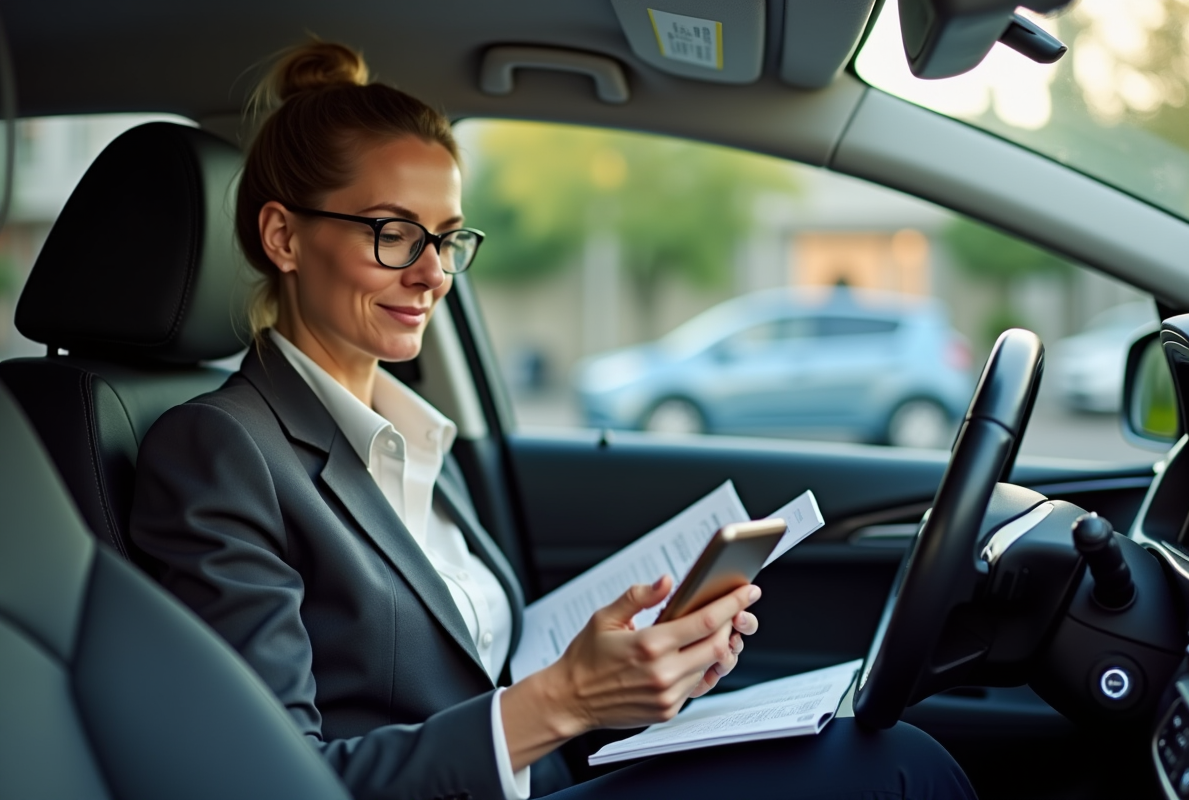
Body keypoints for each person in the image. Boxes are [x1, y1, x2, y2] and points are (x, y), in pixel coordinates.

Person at [129, 40, 975, 800]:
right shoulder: (219, 449)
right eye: (393, 234)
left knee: (875, 742)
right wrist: (566, 698)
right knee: (895, 766)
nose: (433, 274)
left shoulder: (413, 436)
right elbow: (272, 778)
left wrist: (636, 682)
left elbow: (487, 676)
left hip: (549, 770)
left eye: (447, 239)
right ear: (283, 237)